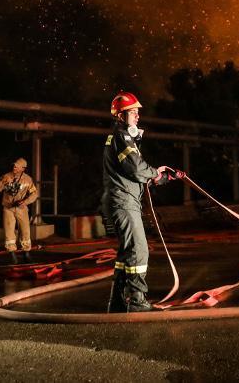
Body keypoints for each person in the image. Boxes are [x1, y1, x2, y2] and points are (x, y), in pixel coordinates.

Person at [102, 91, 181, 313]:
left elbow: (135, 172)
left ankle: (117, 301)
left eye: (138, 112)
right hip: (123, 202)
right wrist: (155, 172)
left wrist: (162, 176)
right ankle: (137, 301)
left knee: (126, 253)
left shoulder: (120, 137)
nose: (137, 116)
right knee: (139, 250)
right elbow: (137, 169)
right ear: (120, 115)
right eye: (133, 112)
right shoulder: (122, 136)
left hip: (122, 199)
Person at [0, 157, 38, 264]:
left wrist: (25, 201)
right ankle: (12, 255)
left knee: (25, 231)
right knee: (9, 232)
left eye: (17, 166)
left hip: (22, 208)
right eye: (14, 165)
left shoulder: (28, 179)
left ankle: (26, 253)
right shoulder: (7, 176)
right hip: (8, 208)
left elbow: (34, 194)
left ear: (23, 168)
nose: (14, 168)